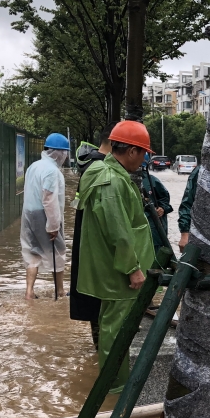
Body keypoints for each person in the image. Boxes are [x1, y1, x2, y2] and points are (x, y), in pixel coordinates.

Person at [75, 121, 157, 393]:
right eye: (143, 152)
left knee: (111, 322)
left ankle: (111, 381)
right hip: (118, 270)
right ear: (131, 151)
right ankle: (115, 387)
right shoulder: (110, 181)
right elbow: (118, 230)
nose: (144, 158)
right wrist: (132, 268)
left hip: (111, 266)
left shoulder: (106, 172)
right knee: (116, 328)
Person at [69, 124, 116, 347]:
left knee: (94, 300)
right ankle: (102, 348)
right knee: (101, 302)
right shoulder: (102, 169)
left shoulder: (89, 164)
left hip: (87, 241)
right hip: (97, 245)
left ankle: (99, 348)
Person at [21, 133, 69, 300]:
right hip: (44, 215)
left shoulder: (33, 166)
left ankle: (29, 292)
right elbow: (49, 199)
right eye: (65, 153)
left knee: (32, 251)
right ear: (58, 153)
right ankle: (60, 291)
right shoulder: (52, 171)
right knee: (58, 251)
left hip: (28, 214)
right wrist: (53, 226)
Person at [139, 152, 174, 251]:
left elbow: (165, 199)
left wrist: (162, 208)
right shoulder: (121, 179)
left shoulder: (152, 181)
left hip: (153, 230)